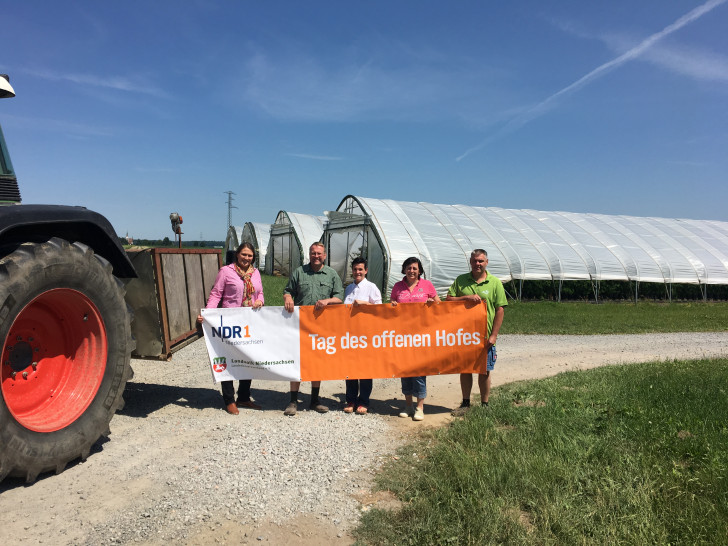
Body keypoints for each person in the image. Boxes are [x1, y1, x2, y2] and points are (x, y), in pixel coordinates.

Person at [197, 242, 264, 415]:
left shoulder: (255, 273)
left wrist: (260, 301)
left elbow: (260, 293)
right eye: (244, 255)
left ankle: (243, 396)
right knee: (227, 358)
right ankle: (229, 399)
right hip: (230, 322)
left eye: (250, 256)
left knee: (248, 358)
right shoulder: (226, 271)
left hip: (249, 322)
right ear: (237, 255)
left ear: (253, 258)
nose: (247, 258)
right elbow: (216, 294)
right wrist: (208, 314)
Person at [283, 242, 344, 415]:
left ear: (324, 255)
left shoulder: (331, 274)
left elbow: (340, 297)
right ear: (309, 255)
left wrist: (327, 301)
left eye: (319, 253)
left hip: (321, 327)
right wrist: (288, 297)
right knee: (298, 362)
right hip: (300, 325)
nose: (316, 256)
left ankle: (315, 400)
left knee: (317, 363)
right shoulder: (299, 272)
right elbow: (288, 290)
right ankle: (293, 401)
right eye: (313, 253)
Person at [446, 249, 507, 412]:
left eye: (480, 261)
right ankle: (465, 403)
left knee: (484, 370)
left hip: (484, 336)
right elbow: (449, 300)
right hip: (464, 336)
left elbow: (500, 309)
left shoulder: (495, 283)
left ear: (486, 262)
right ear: (470, 262)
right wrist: (466, 297)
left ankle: (484, 404)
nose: (477, 264)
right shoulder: (461, 280)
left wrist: (493, 335)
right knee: (465, 369)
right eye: (474, 261)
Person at [390, 256, 440, 421]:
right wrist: (393, 306)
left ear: (420, 271)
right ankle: (408, 405)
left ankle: (420, 407)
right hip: (402, 336)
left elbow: (439, 304)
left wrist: (433, 302)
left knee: (419, 371)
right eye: (409, 268)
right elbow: (390, 306)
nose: (411, 271)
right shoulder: (397, 286)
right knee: (405, 371)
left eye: (415, 268)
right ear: (404, 269)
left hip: (421, 336)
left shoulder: (427, 285)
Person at [342, 257, 382, 415]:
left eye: (360, 269)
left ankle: (364, 401)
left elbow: (380, 309)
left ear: (366, 271)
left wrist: (365, 305)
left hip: (366, 335)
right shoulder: (348, 288)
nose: (357, 272)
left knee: (365, 369)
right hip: (350, 335)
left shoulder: (372, 288)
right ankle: (350, 400)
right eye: (355, 269)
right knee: (350, 368)